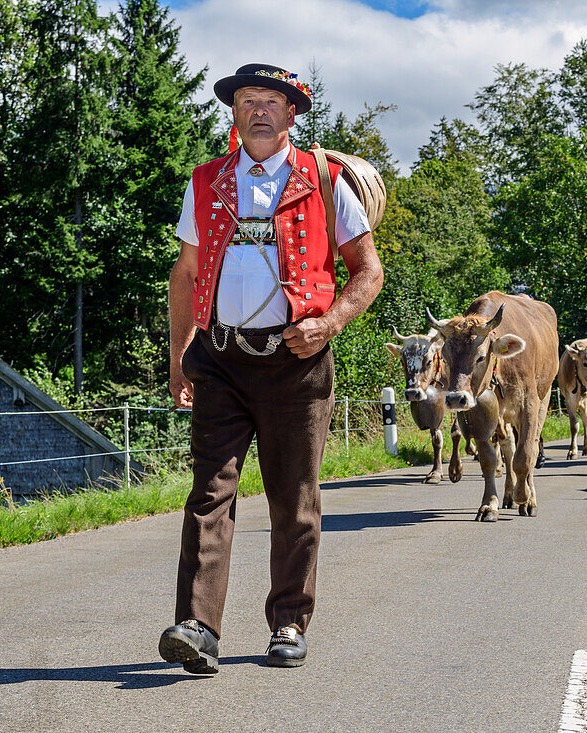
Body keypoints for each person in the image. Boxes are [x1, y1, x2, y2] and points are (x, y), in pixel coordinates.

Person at [159, 63, 384, 673]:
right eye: (248, 100)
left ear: (292, 114)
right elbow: (184, 275)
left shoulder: (325, 180)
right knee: (209, 493)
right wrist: (180, 353)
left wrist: (329, 324)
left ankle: (288, 621)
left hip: (297, 361)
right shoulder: (205, 183)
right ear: (233, 113)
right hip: (221, 358)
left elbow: (368, 272)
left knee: (294, 498)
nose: (259, 109)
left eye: (272, 101)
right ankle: (197, 626)